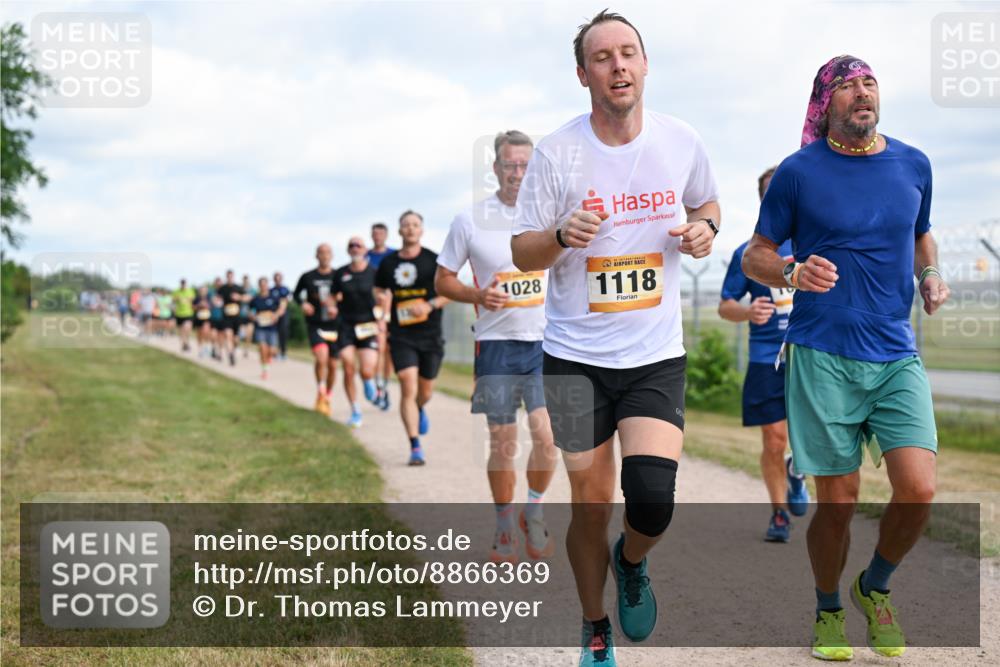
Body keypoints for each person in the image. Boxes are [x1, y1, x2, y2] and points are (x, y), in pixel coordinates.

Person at [510, 11, 721, 665]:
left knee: (652, 500)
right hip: (575, 359)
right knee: (591, 505)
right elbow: (523, 252)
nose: (618, 65)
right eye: (602, 57)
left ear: (645, 64)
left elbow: (708, 205)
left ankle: (631, 561)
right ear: (583, 75)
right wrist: (560, 236)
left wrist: (706, 230)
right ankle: (595, 625)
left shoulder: (681, 140)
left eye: (628, 52)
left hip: (654, 356)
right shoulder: (556, 153)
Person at [742, 55, 948, 661]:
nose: (862, 92)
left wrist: (930, 273)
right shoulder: (798, 172)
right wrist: (791, 271)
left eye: (869, 82)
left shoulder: (913, 163)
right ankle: (829, 608)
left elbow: (921, 232)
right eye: (848, 85)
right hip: (822, 353)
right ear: (824, 102)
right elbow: (757, 253)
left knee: (919, 489)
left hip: (894, 352)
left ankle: (874, 586)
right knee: (838, 502)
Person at [436, 129, 558, 563]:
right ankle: (505, 524)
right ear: (495, 168)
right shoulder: (470, 220)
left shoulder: (551, 215)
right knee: (503, 443)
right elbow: (443, 279)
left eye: (525, 165)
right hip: (496, 346)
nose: (518, 173)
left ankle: (533, 511)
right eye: (510, 165)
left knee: (548, 438)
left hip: (546, 343)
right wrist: (476, 294)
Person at [719, 167, 810, 543]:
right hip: (765, 358)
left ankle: (798, 470)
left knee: (810, 438)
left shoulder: (814, 246)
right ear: (764, 201)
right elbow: (725, 305)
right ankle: (779, 514)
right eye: (772, 192)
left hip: (810, 356)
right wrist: (747, 312)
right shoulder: (748, 254)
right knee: (773, 439)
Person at [375, 211, 450, 466]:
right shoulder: (388, 263)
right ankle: (415, 445)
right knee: (408, 384)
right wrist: (380, 298)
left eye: (415, 224)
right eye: (406, 225)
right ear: (399, 231)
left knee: (424, 391)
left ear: (422, 230)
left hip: (430, 335)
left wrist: (429, 305)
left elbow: (449, 292)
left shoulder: (434, 260)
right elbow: (378, 289)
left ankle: (419, 407)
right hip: (401, 335)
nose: (410, 228)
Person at [335, 236, 381, 428]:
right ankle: (355, 410)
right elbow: (332, 297)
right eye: (351, 246)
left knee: (367, 369)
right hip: (346, 326)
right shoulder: (340, 273)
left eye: (358, 245)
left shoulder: (374, 273)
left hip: (368, 325)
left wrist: (383, 318)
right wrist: (330, 306)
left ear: (365, 250)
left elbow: (384, 296)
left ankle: (369, 382)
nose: (355, 248)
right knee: (348, 366)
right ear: (348, 250)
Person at [294, 244, 341, 416]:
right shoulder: (307, 276)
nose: (325, 256)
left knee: (333, 365)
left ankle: (327, 396)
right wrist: (303, 304)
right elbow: (296, 294)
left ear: (332, 255)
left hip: (335, 325)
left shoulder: (338, 275)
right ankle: (320, 391)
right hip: (316, 323)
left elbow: (346, 295)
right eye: (321, 253)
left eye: (328, 253)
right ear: (316, 255)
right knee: (321, 358)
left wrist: (338, 303)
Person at [368, 222, 397, 409]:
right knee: (378, 348)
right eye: (375, 234)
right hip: (372, 309)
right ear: (372, 236)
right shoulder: (366, 256)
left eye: (381, 233)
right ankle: (377, 387)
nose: (377, 236)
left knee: (388, 351)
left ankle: (385, 386)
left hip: (392, 309)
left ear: (386, 235)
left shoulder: (394, 255)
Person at [250, 276, 286, 380]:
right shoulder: (255, 299)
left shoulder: (274, 298)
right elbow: (251, 311)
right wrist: (252, 316)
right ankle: (264, 370)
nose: (263, 287)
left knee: (272, 351)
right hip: (260, 327)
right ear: (259, 286)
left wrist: (276, 315)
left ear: (267, 285)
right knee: (262, 348)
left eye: (265, 285)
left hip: (272, 328)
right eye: (261, 285)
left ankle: (269, 358)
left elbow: (281, 308)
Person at [216, 270, 245, 366]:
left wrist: (239, 297)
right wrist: (218, 302)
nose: (229, 278)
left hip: (237, 317)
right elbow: (217, 299)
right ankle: (231, 355)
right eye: (228, 276)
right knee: (228, 335)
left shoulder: (238, 288)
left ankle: (233, 350)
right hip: (226, 317)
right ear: (226, 277)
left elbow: (247, 297)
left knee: (236, 339)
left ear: (233, 277)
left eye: (231, 276)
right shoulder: (222, 288)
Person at [172, 278, 197, 352]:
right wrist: (177, 299)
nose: (183, 285)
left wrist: (189, 300)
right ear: (180, 284)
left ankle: (187, 341)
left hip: (188, 313)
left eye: (184, 283)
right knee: (181, 330)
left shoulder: (190, 291)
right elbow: (172, 300)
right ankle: (184, 344)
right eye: (182, 283)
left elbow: (193, 300)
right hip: (179, 314)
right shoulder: (176, 291)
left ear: (186, 284)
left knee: (187, 328)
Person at [272, 271, 291, 360]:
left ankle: (283, 352)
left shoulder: (285, 289)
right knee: (274, 334)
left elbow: (284, 303)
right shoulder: (271, 290)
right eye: (276, 279)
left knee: (283, 333)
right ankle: (274, 352)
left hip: (283, 315)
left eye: (279, 278)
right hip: (272, 315)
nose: (277, 280)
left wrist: (278, 314)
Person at [192, 285, 214, 357]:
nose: (203, 292)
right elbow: (193, 307)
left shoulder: (209, 298)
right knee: (199, 334)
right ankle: (200, 349)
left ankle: (206, 346)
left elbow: (212, 306)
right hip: (198, 318)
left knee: (206, 331)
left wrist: (206, 305)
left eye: (204, 291)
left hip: (207, 318)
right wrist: (199, 305)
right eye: (201, 290)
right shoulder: (196, 298)